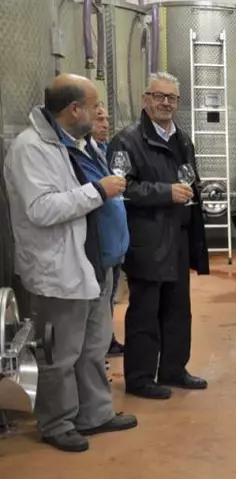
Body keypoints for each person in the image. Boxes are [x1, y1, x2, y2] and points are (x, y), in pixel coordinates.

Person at [3, 73, 137, 452]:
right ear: (74, 108)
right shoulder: (31, 148)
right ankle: (57, 423)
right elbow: (41, 209)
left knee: (93, 348)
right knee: (60, 354)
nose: (99, 113)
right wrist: (98, 189)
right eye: (94, 105)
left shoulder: (79, 143)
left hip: (96, 264)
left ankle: (95, 414)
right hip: (59, 268)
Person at [107, 72, 209, 400]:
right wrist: (166, 192)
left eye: (172, 98)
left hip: (177, 236)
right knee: (145, 311)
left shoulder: (183, 140)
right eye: (159, 96)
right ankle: (139, 378)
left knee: (179, 308)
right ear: (145, 99)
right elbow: (120, 189)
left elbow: (190, 182)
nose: (166, 103)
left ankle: (174, 370)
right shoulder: (127, 140)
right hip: (147, 239)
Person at [92, 103, 126, 357]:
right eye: (98, 119)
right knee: (100, 300)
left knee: (110, 297)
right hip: (100, 245)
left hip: (115, 245)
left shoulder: (107, 151)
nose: (105, 124)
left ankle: (108, 339)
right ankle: (102, 344)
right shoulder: (84, 156)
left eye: (106, 119)